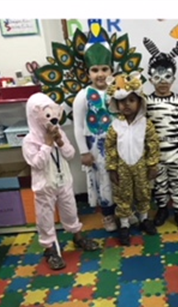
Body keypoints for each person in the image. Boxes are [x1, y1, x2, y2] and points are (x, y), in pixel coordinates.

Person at [22, 92, 98, 269]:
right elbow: (37, 163)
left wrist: (60, 142)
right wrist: (47, 144)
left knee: (70, 211)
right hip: (44, 186)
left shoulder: (59, 132)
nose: (52, 120)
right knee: (45, 218)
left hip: (64, 181)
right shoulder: (29, 140)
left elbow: (70, 155)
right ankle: (49, 249)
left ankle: (77, 236)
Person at [143, 37, 178, 229]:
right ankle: (162, 208)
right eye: (157, 78)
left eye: (167, 77)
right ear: (150, 79)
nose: (163, 82)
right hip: (156, 153)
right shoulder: (147, 103)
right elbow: (143, 129)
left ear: (173, 78)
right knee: (159, 183)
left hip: (177, 152)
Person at [105, 73, 160, 246]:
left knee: (143, 192)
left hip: (141, 166)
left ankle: (144, 218)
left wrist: (152, 165)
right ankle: (124, 224)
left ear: (139, 102)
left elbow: (152, 144)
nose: (126, 105)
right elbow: (110, 147)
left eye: (131, 100)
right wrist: (112, 168)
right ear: (116, 104)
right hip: (122, 167)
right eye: (122, 101)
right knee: (122, 195)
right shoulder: (115, 126)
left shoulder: (146, 124)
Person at [72, 40, 116, 229]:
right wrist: (84, 151)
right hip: (96, 147)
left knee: (121, 177)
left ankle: (125, 211)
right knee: (103, 181)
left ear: (111, 70)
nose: (100, 74)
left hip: (119, 145)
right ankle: (108, 215)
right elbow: (78, 125)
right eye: (95, 70)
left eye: (105, 69)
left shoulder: (118, 91)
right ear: (88, 72)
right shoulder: (83, 95)